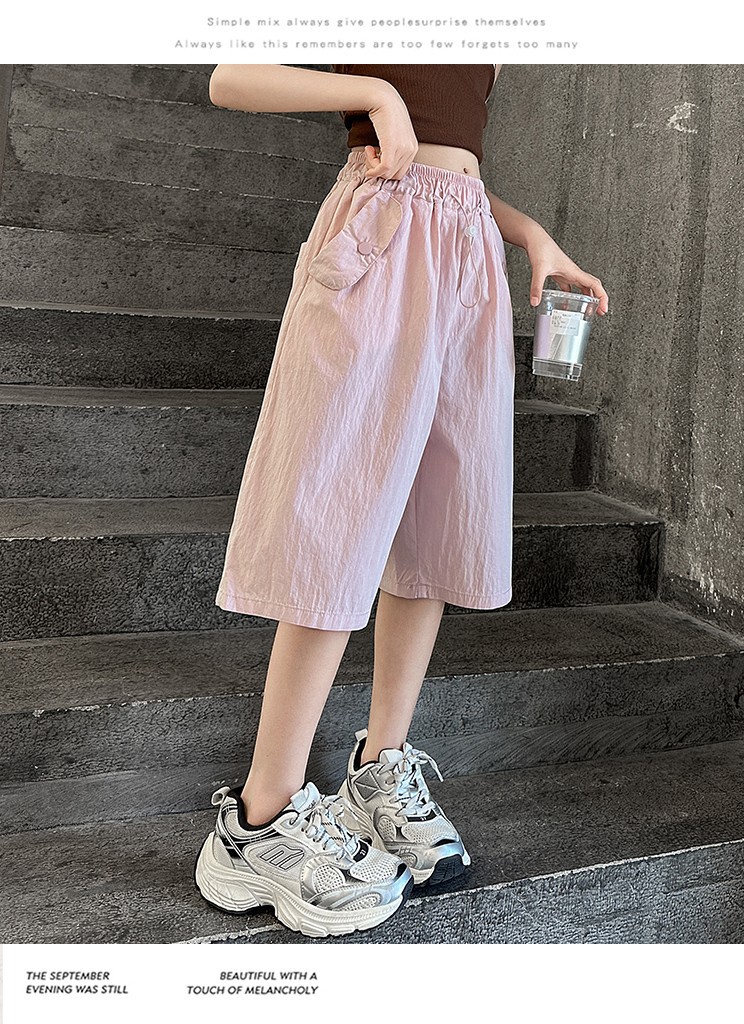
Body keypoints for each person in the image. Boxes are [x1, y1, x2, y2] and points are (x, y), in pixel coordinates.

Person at [194, 63, 610, 939]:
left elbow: (449, 162)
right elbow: (231, 76)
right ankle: (260, 817)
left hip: (467, 253)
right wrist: (376, 97)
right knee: (336, 517)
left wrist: (529, 233)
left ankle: (379, 768)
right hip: (380, 241)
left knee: (433, 525)